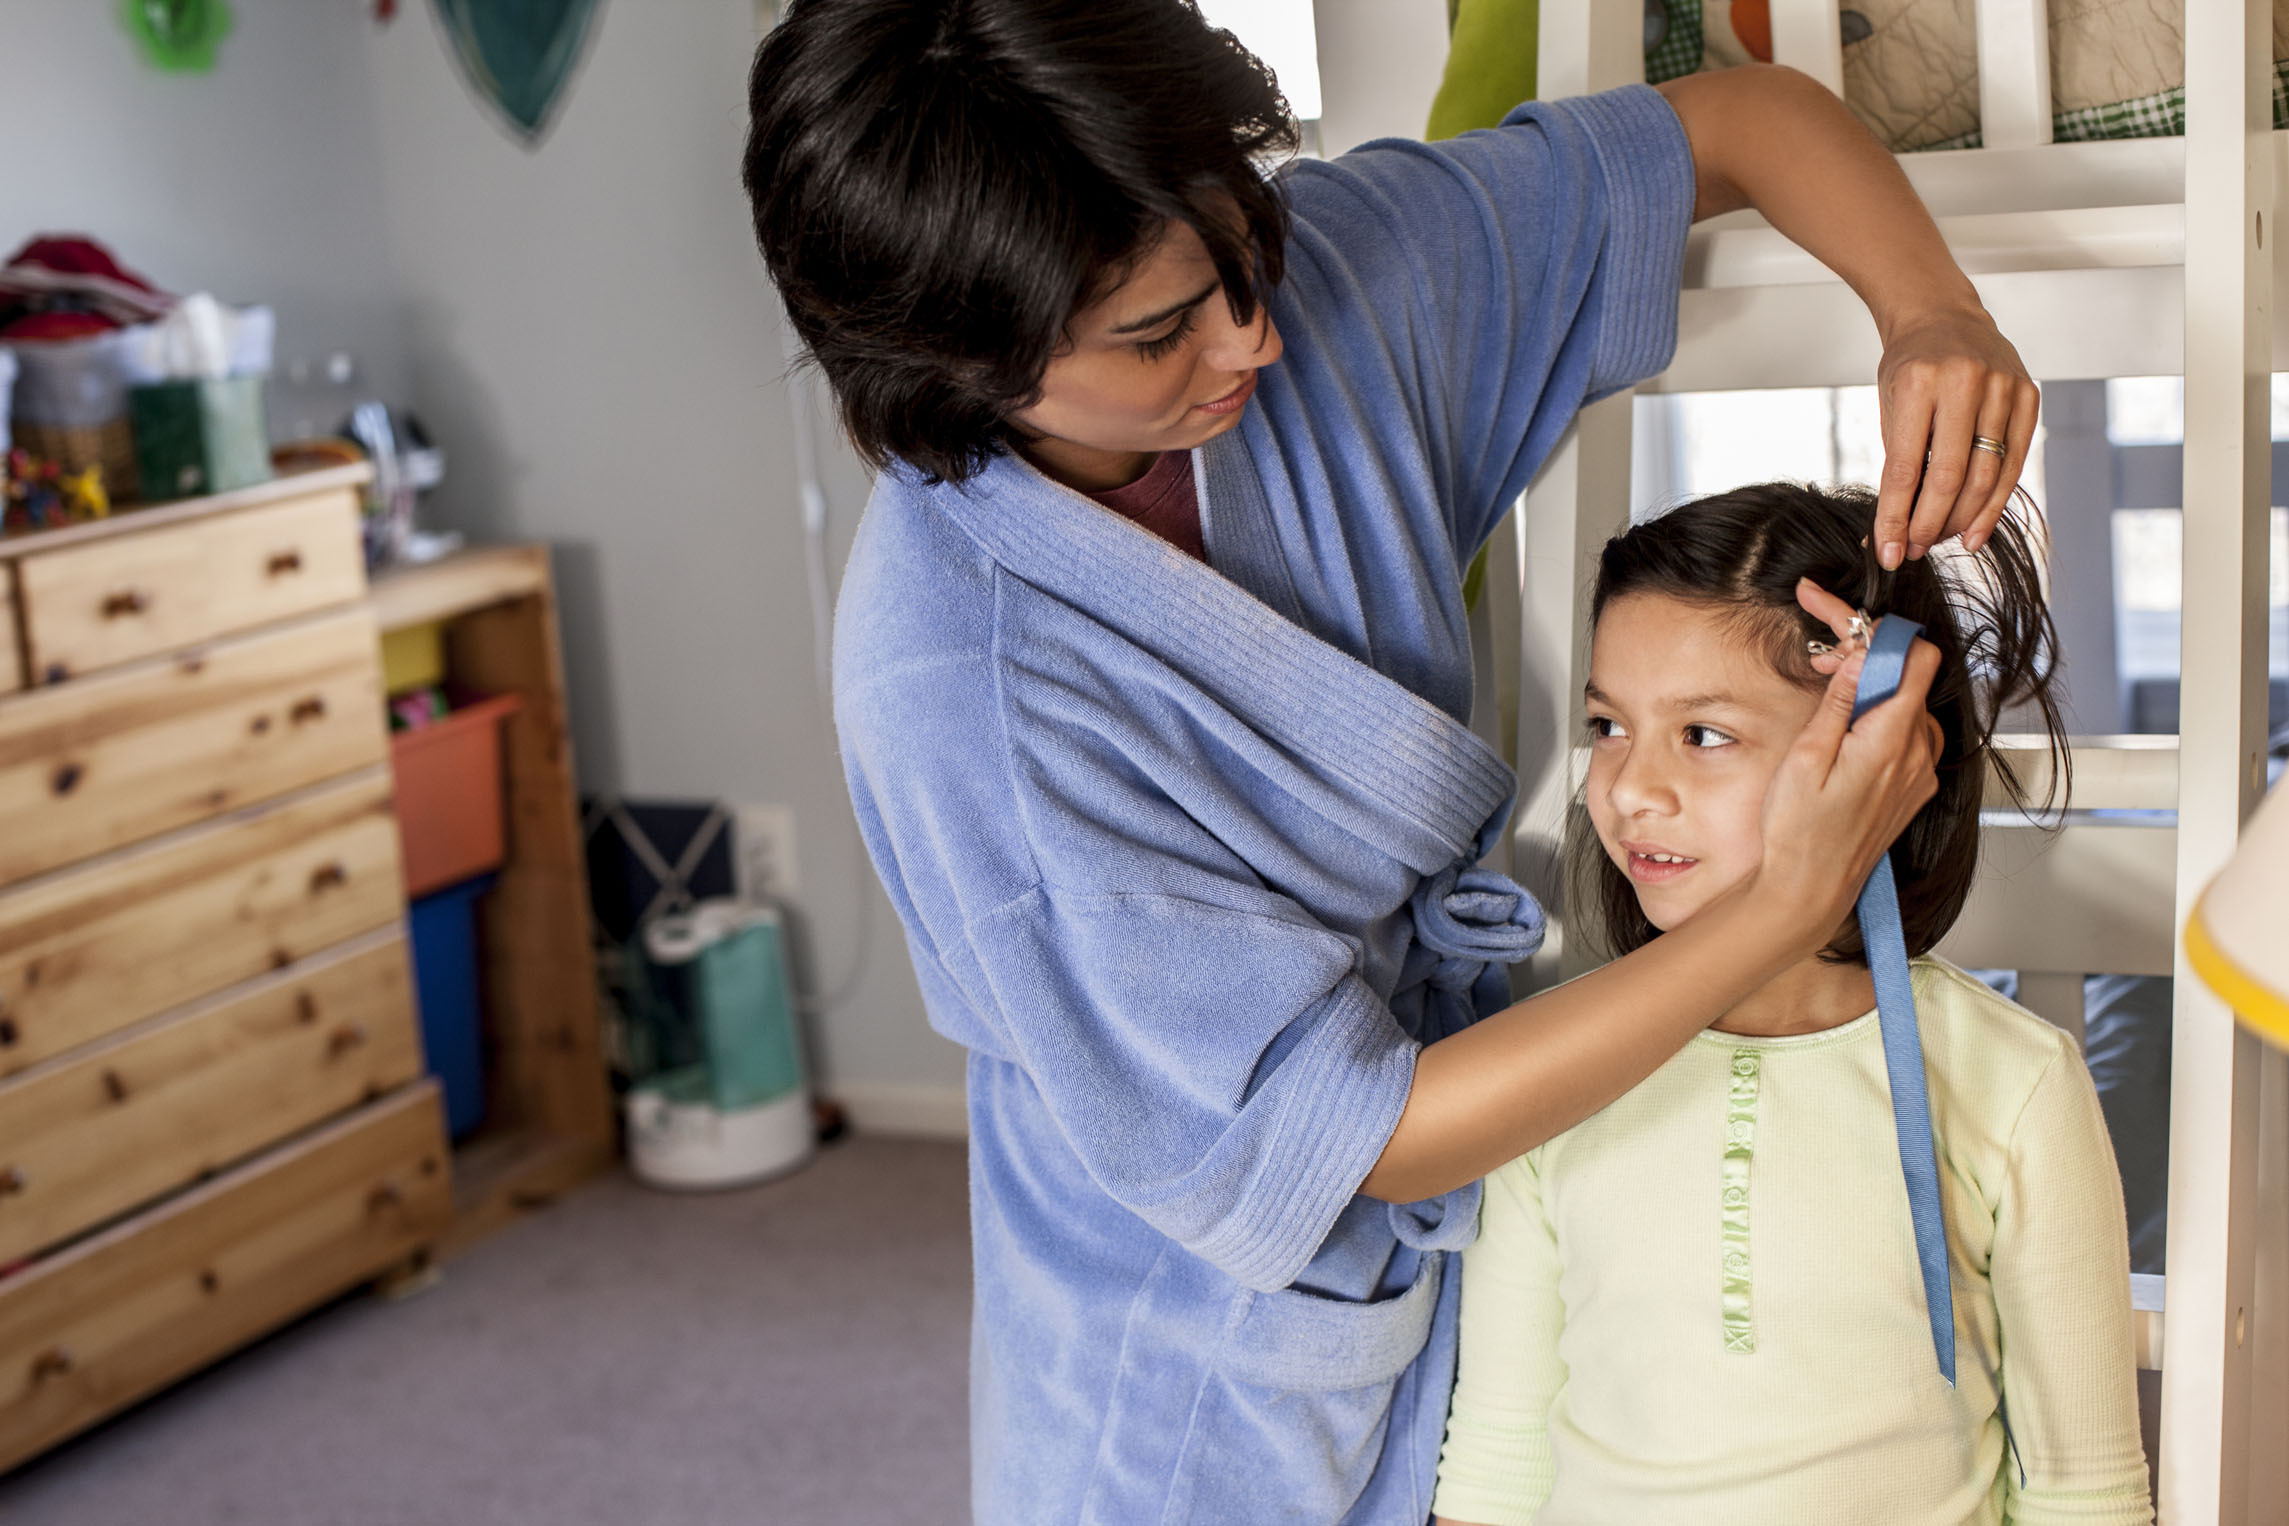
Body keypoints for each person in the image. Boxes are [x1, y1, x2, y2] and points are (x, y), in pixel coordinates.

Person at [741, 4, 2039, 1520]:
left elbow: (1738, 122)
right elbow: (1367, 1134)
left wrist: (1926, 305)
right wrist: (1779, 898)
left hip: (1468, 1256)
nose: (1256, 338)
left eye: (1242, 250)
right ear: (953, 365)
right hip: (1191, 1375)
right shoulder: (960, 690)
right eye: (1159, 333)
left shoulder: (1341, 269)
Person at [1432, 483, 2149, 1525]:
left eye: (1705, 734)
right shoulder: (1546, 1071)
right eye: (1610, 725)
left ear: (1879, 755)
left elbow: (2089, 1495)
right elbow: (1493, 1474)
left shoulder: (2015, 1082)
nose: (1631, 787)